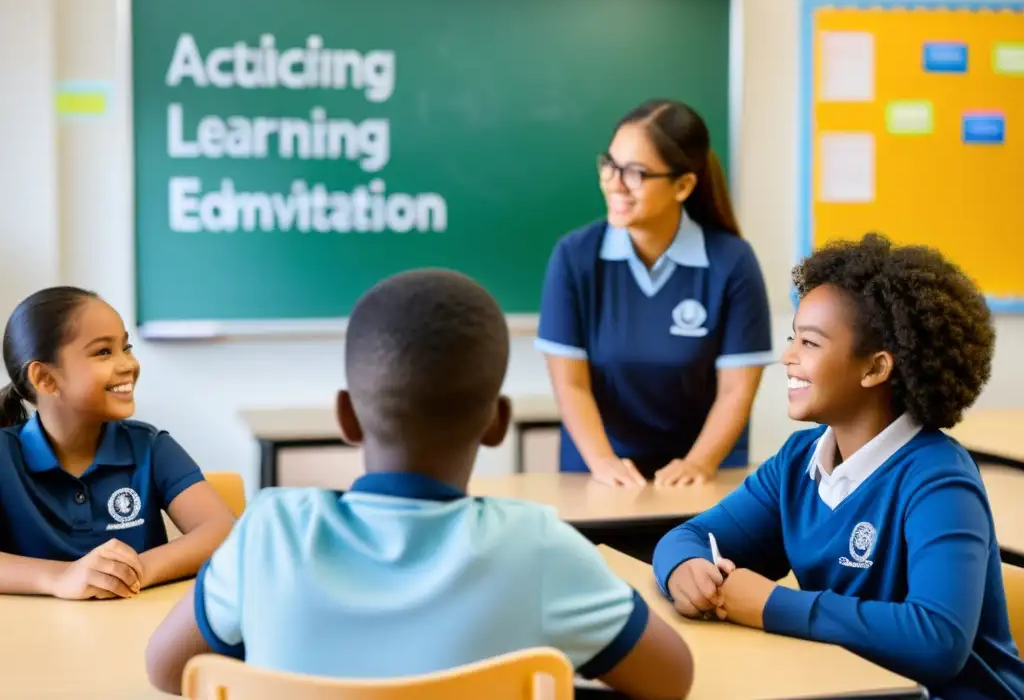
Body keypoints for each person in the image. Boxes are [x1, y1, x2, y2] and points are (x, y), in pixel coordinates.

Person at [145, 269, 694, 699]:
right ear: (499, 423)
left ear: (346, 418)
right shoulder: (537, 547)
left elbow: (167, 668)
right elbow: (672, 680)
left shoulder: (269, 531)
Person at [652, 234, 1024, 700]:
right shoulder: (797, 461)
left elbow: (938, 641)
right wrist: (683, 568)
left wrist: (769, 604)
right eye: (793, 338)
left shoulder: (939, 479)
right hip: (853, 688)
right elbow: (686, 537)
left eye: (809, 342)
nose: (787, 356)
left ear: (874, 369)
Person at [536, 99, 773, 487]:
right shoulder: (574, 257)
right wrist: (602, 463)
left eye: (634, 173)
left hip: (706, 476)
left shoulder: (732, 262)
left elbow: (737, 391)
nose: (613, 183)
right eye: (609, 165)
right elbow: (570, 384)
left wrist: (698, 464)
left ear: (683, 185)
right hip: (600, 475)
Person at [0, 286, 234, 600]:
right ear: (45, 379)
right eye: (104, 352)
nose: (128, 364)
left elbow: (222, 529)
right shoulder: (4, 455)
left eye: (127, 347)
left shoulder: (150, 446)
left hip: (135, 637)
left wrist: (134, 570)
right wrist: (61, 579)